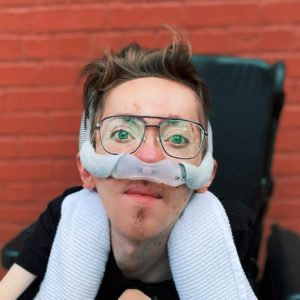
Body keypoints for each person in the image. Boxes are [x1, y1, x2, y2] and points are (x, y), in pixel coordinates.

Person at [0, 37, 256, 300]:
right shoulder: (64, 217)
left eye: (178, 138)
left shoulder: (230, 230)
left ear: (206, 175)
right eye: (122, 134)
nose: (148, 157)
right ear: (86, 169)